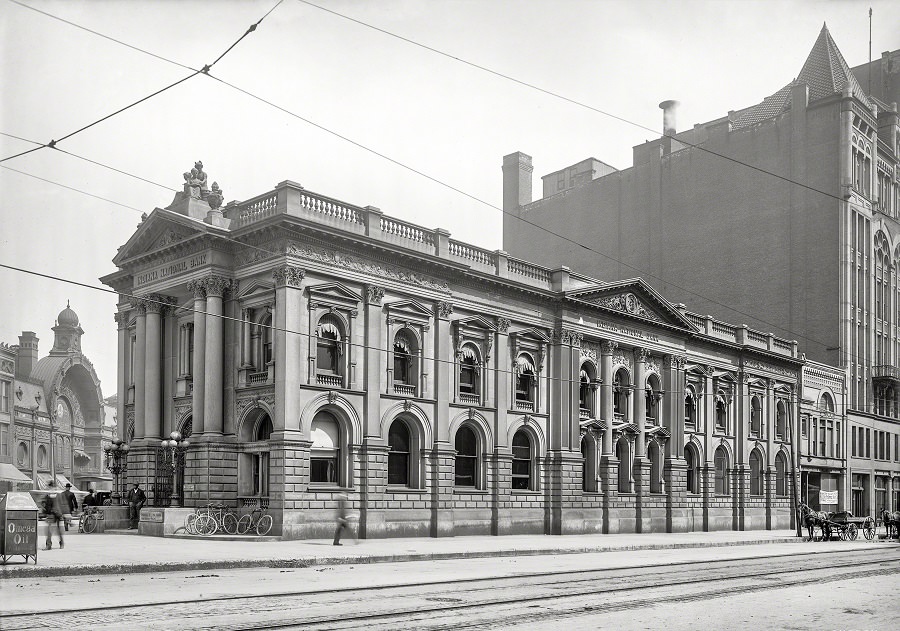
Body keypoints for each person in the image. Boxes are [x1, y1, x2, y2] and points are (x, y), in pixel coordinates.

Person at [42, 483, 66, 550]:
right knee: (57, 530)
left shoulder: (51, 496)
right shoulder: (55, 495)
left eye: (50, 487)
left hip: (54, 514)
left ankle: (49, 545)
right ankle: (61, 543)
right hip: (56, 514)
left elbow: (47, 505)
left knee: (50, 530)